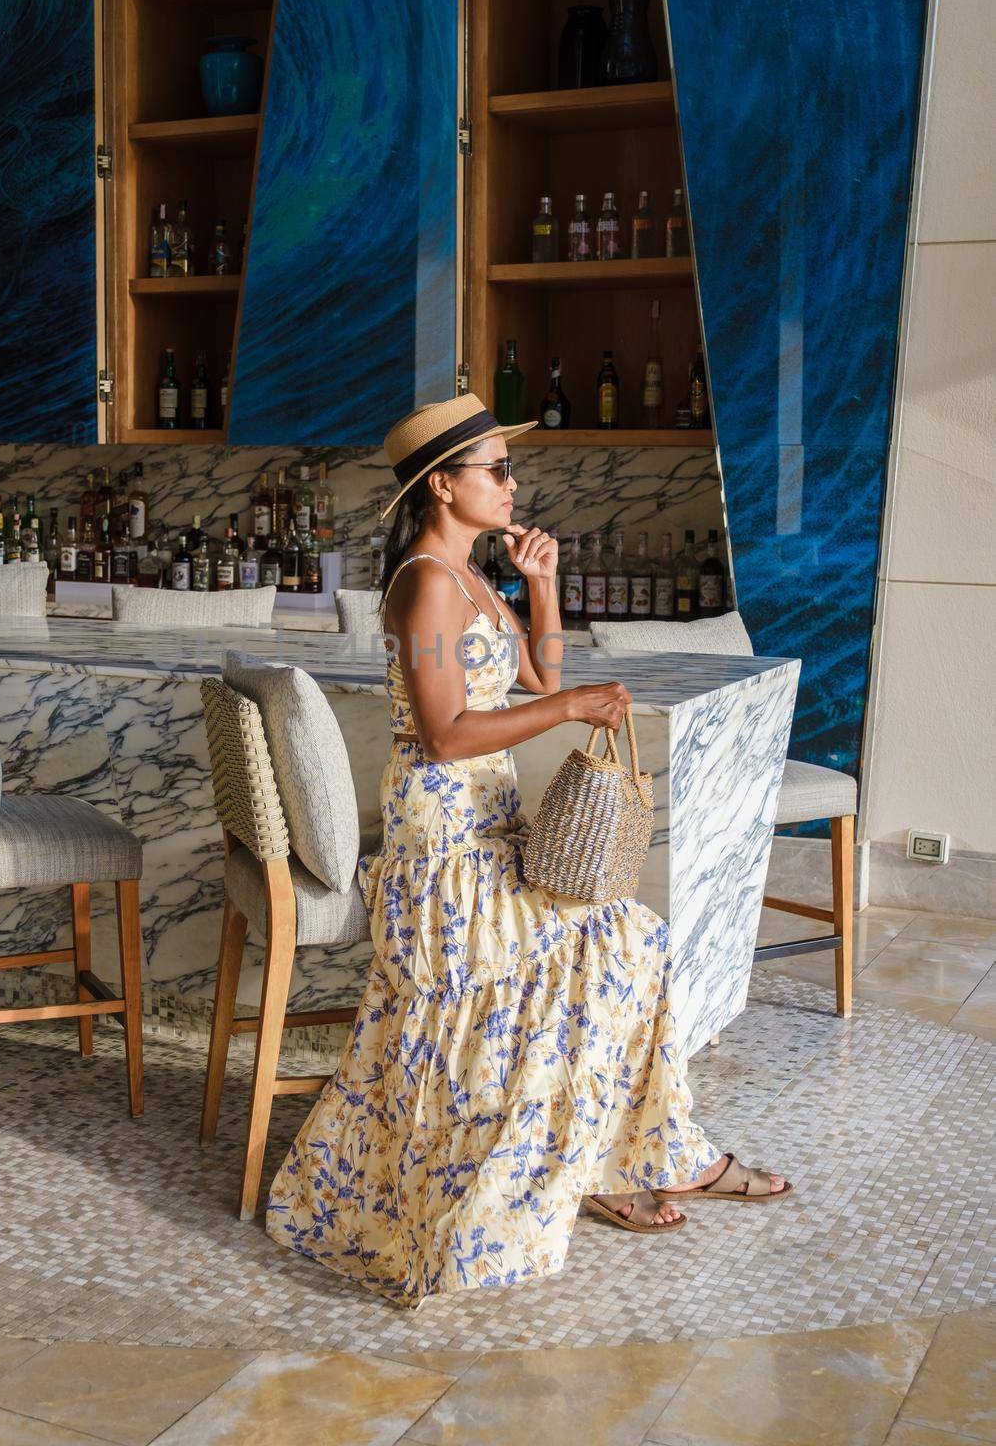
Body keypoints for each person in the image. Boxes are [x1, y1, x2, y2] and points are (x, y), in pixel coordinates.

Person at [265, 395, 790, 1308]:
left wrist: (540, 585)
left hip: (493, 820)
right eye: (496, 471)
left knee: (629, 942)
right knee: (618, 948)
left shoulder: (469, 576)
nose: (513, 485)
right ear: (443, 484)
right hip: (445, 835)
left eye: (509, 470)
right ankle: (621, 1168)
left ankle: (638, 1158)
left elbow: (542, 673)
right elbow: (444, 732)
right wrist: (574, 711)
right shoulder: (425, 583)